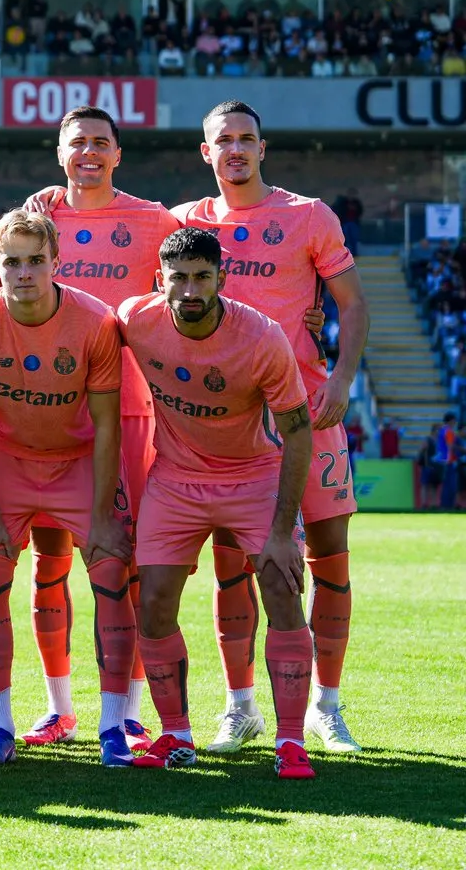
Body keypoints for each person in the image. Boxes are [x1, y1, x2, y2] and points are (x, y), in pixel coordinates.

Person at [173, 100, 369, 755]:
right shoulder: (185, 222)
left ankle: (327, 707)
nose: (235, 149)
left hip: (309, 411)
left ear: (263, 148)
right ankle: (241, 707)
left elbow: (353, 303)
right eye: (223, 140)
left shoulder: (308, 215)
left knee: (329, 559)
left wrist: (341, 379)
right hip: (227, 424)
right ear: (206, 152)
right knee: (234, 567)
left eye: (245, 138)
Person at [118, 226, 316, 780]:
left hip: (253, 477)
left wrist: (282, 531)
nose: (190, 289)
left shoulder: (261, 336)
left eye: (202, 277)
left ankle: (291, 740)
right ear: (160, 280)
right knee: (153, 602)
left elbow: (298, 432)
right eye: (178, 277)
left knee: (282, 590)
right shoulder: (135, 319)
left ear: (221, 279)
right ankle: (176, 735)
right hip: (176, 479)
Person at [0, 209, 136, 767]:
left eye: (35, 260)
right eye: (12, 262)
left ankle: (112, 727)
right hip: (7, 460)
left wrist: (102, 513)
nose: (23, 272)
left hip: (79, 460)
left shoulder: (95, 322)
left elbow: (107, 425)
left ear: (56, 262)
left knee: (111, 575)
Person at [23, 106, 182, 750]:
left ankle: (130, 710)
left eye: (99, 143)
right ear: (59, 153)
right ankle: (58, 707)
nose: (88, 152)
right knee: (50, 561)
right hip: (48, 411)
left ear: (118, 153)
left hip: (130, 410)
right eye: (76, 143)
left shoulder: (156, 221)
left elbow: (197, 287)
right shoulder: (37, 219)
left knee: (126, 564)